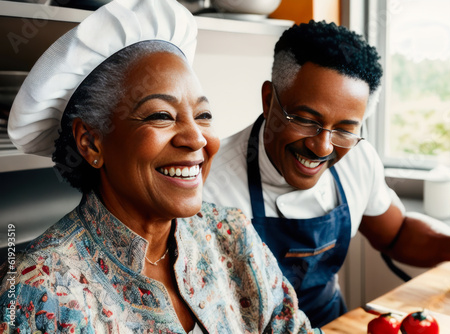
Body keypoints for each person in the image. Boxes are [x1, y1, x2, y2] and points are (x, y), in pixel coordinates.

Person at [0, 1, 322, 333]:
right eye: (161, 116)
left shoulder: (231, 234)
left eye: (203, 116)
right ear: (92, 143)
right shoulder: (38, 289)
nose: (196, 138)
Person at [203, 20, 450, 328]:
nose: (322, 147)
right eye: (305, 120)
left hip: (334, 323)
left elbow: (396, 233)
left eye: (345, 130)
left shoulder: (357, 160)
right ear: (268, 100)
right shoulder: (208, 182)